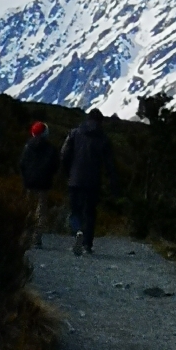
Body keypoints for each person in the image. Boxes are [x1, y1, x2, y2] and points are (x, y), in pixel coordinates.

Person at [58, 108, 118, 256]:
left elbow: (64, 155)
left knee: (75, 211)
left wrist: (68, 173)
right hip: (93, 180)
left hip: (75, 178)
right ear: (100, 121)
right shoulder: (103, 138)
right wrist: (113, 182)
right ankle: (87, 245)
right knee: (90, 212)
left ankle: (77, 231)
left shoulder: (74, 133)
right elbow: (110, 164)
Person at [19, 120, 60, 248]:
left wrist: (25, 177)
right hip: (43, 183)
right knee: (40, 211)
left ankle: (25, 235)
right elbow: (55, 166)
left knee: (27, 209)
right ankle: (37, 238)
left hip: (29, 183)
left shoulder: (27, 146)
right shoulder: (51, 149)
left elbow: (22, 164)